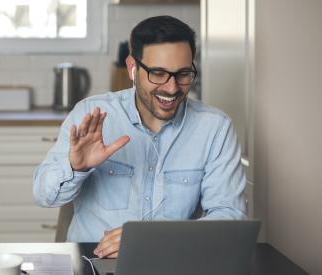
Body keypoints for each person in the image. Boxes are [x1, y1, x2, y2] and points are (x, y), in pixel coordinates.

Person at [33, 15, 246, 258]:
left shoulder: (215, 128)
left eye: (183, 73)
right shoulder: (90, 115)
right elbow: (43, 196)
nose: (172, 88)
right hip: (93, 260)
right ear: (133, 68)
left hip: (172, 261)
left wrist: (155, 241)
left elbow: (230, 217)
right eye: (157, 73)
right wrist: (75, 167)